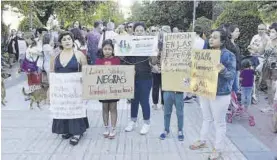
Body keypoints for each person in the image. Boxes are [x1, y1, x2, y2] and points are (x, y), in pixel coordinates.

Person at [189, 28, 236, 160]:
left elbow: (232, 75)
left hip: (220, 94)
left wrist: (223, 69)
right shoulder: (205, 53)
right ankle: (202, 140)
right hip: (204, 90)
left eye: (215, 37)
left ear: (222, 41)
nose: (211, 39)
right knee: (206, 118)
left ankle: (218, 148)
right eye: (210, 36)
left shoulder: (229, 55)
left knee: (219, 122)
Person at [51, 31, 89, 146]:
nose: (67, 41)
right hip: (61, 90)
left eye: (69, 39)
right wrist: (50, 90)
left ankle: (77, 132)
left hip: (76, 89)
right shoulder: (55, 56)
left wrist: (86, 88)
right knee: (64, 108)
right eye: (64, 39)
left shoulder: (79, 55)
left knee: (75, 109)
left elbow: (86, 72)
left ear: (73, 41)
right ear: (60, 42)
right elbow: (52, 73)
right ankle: (67, 130)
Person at [124, 22, 153, 135]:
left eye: (141, 30)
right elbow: (124, 58)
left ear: (145, 32)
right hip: (132, 77)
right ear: (134, 32)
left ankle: (147, 123)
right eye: (137, 30)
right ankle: (133, 120)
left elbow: (154, 62)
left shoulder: (149, 44)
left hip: (145, 77)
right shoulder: (129, 43)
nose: (139, 32)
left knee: (144, 100)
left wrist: (153, 53)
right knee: (133, 100)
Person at [158, 26, 184, 141]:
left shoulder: (183, 56)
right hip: (168, 88)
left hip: (179, 89)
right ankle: (166, 129)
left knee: (180, 112)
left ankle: (180, 130)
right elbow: (158, 65)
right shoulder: (163, 54)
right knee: (167, 112)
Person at [96, 39, 120, 139]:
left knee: (113, 108)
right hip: (103, 89)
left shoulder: (117, 60)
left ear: (113, 50)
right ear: (102, 50)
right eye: (105, 49)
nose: (107, 51)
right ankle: (106, 127)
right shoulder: (98, 61)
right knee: (105, 108)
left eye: (109, 49)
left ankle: (113, 128)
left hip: (114, 89)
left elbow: (121, 74)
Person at [184, 26, 207, 103]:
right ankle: (194, 94)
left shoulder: (191, 40)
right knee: (196, 77)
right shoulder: (203, 41)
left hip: (190, 60)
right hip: (199, 61)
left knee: (188, 78)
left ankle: (189, 95)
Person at [260, 23, 277, 113]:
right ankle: (270, 105)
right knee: (269, 87)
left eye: (273, 32)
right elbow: (260, 52)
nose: (271, 34)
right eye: (270, 32)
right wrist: (263, 43)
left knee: (274, 87)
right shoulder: (268, 41)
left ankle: (274, 106)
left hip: (275, 68)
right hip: (266, 67)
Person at [226, 25, 241, 94]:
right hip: (231, 69)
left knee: (235, 87)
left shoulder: (235, 44)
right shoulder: (227, 44)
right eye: (237, 31)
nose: (239, 33)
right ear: (231, 33)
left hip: (236, 69)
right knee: (230, 86)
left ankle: (234, 102)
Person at [240, 59, 255, 126]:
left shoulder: (242, 72)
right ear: (249, 65)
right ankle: (248, 104)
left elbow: (240, 79)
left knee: (243, 95)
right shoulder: (252, 71)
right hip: (250, 86)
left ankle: (242, 104)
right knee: (249, 95)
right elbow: (255, 75)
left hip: (243, 85)